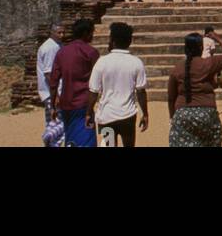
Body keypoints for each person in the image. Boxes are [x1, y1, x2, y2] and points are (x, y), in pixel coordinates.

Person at [166, 30, 222, 147]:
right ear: (201, 48)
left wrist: (172, 117)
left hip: (182, 115)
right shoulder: (208, 63)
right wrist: (217, 38)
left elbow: (170, 98)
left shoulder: (176, 68)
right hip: (207, 113)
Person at [87, 22, 149, 147]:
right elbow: (141, 91)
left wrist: (89, 113)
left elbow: (93, 92)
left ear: (113, 40)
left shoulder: (102, 62)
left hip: (107, 116)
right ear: (129, 41)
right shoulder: (136, 62)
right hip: (128, 116)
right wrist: (145, 114)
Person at [48, 18, 100, 147]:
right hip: (84, 103)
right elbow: (99, 80)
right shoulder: (91, 52)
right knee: (87, 138)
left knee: (71, 137)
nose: (92, 36)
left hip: (66, 103)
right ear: (86, 33)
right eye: (91, 33)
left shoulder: (62, 52)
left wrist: (53, 106)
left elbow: (53, 82)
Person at [36, 23, 63, 112]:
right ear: (52, 33)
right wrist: (55, 96)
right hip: (52, 93)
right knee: (56, 123)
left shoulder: (57, 45)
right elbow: (49, 73)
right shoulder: (50, 48)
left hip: (55, 91)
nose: (62, 35)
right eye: (59, 33)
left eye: (63, 32)